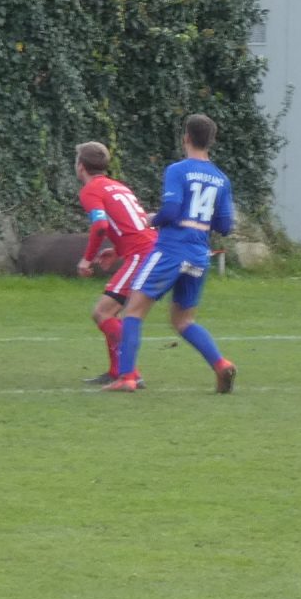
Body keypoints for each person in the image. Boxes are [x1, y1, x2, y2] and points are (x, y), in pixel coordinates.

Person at [105, 114, 237, 395]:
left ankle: (126, 377)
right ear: (211, 141)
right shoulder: (221, 179)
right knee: (183, 321)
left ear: (186, 137)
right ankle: (221, 363)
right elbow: (225, 225)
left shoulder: (178, 170)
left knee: (133, 311)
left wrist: (152, 219)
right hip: (199, 254)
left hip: (171, 250)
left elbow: (171, 211)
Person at [73, 140, 156, 387]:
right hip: (148, 249)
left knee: (101, 312)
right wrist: (118, 251)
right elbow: (131, 224)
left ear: (80, 166)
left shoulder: (90, 190)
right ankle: (117, 370)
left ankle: (130, 373)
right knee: (111, 312)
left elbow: (100, 226)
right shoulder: (118, 186)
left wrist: (87, 259)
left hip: (141, 254)